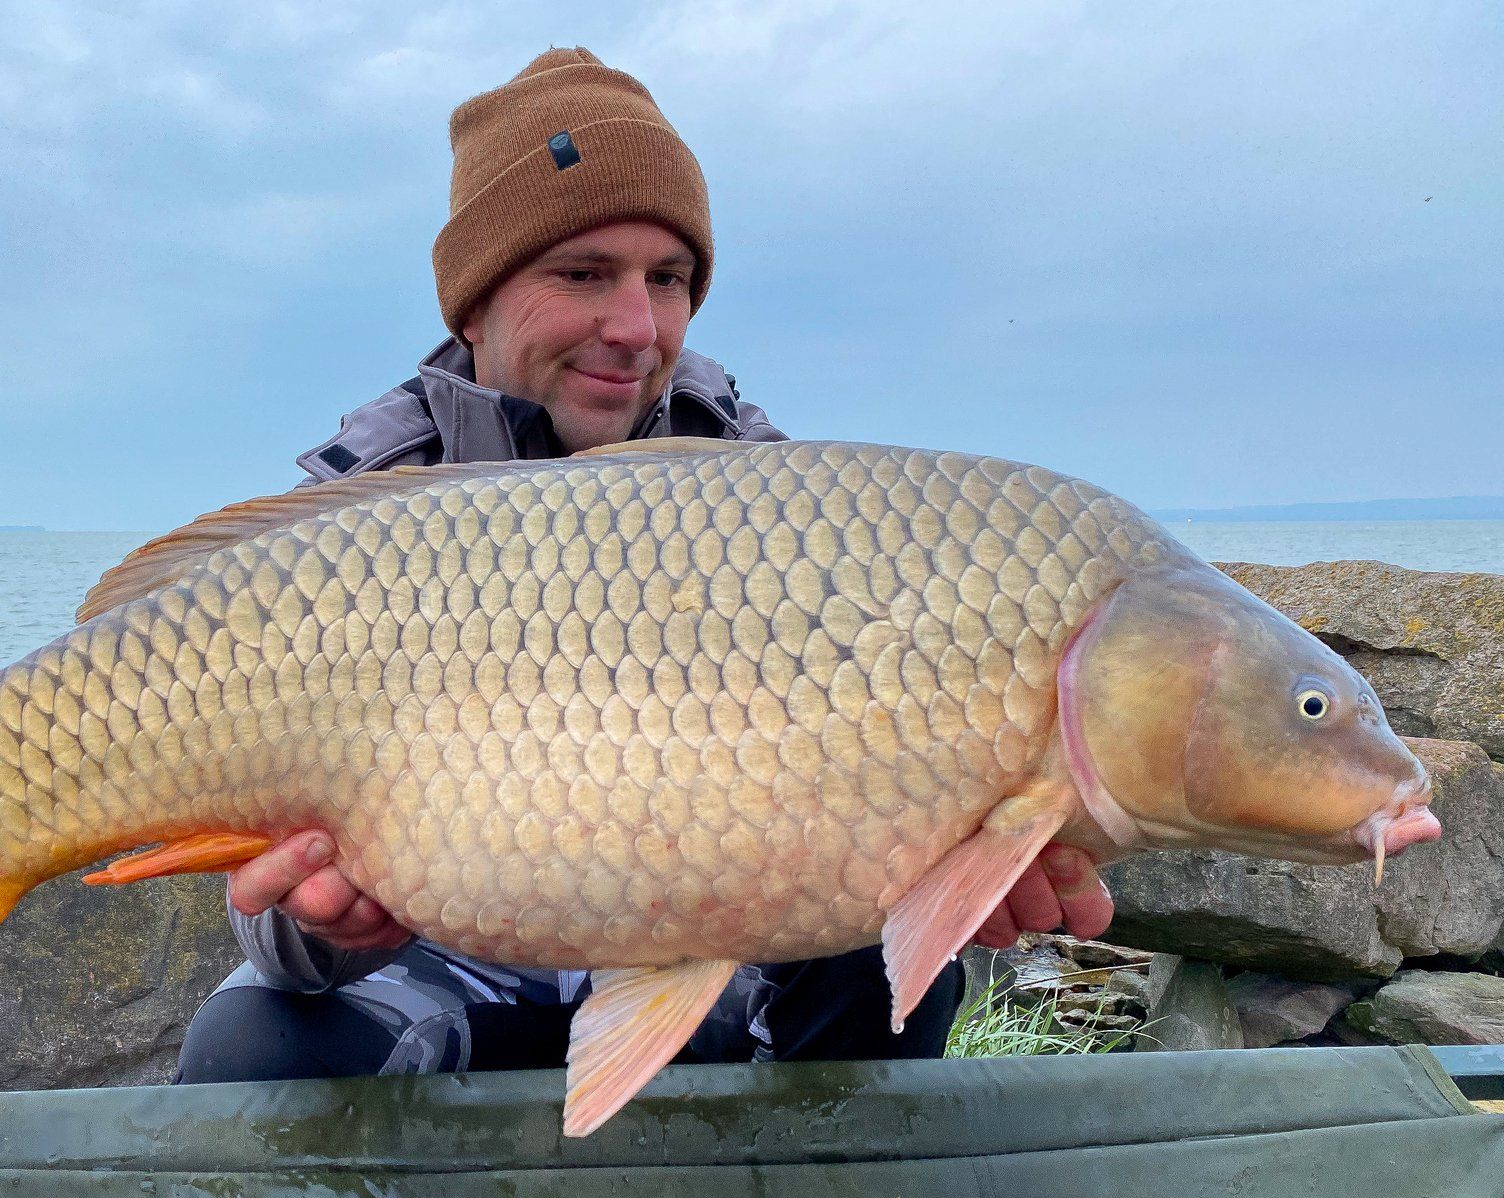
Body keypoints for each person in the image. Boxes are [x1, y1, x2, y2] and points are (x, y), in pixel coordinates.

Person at [174, 48, 1112, 1088]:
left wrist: (958, 856)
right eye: (582, 273)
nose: (635, 329)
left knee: (898, 988)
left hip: (713, 959)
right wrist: (338, 931)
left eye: (668, 280)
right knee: (251, 1047)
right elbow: (274, 936)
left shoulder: (784, 506)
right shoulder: (351, 525)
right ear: (473, 304)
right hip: (451, 969)